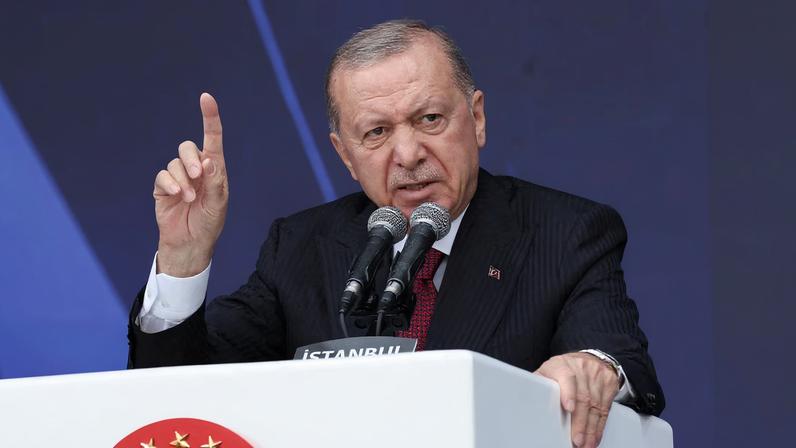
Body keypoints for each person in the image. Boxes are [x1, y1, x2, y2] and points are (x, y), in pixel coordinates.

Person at [128, 20, 664, 448]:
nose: (407, 155)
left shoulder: (566, 233)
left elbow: (619, 357)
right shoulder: (301, 247)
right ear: (345, 154)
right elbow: (180, 398)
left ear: (476, 119)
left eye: (429, 118)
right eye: (377, 133)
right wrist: (183, 258)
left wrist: (595, 369)